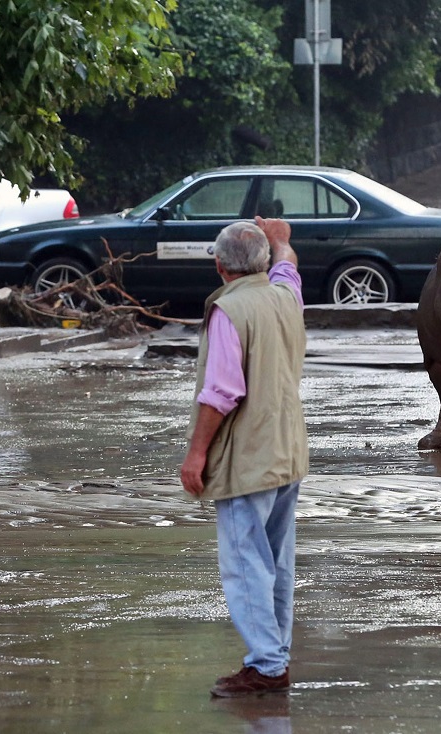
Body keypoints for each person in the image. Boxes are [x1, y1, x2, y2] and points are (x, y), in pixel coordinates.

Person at [180, 216, 308, 698]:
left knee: (246, 562)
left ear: (219, 266)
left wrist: (196, 454)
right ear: (262, 262)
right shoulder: (284, 295)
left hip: (247, 458)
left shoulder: (229, 311)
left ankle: (268, 666)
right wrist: (281, 242)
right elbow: (289, 268)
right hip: (287, 450)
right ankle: (273, 657)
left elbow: (221, 394)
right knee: (275, 561)